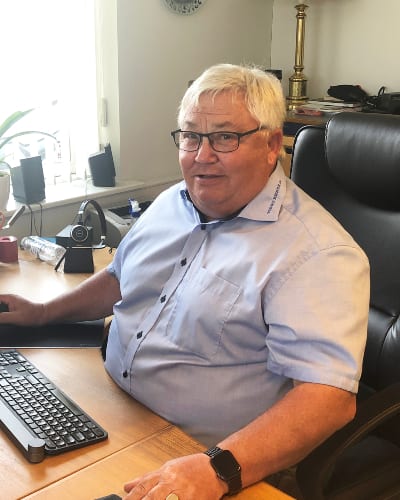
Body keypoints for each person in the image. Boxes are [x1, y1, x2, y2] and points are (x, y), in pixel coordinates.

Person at [0, 63, 370, 499]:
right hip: (111, 409)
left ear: (271, 145)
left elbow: (329, 400)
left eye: (225, 137)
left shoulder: (316, 253)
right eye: (191, 136)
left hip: (204, 459)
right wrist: (44, 313)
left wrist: (217, 469)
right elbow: (121, 278)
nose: (202, 155)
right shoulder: (171, 201)